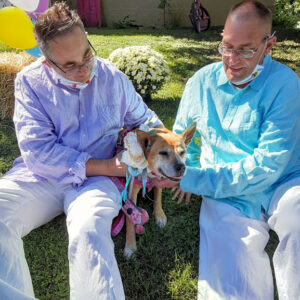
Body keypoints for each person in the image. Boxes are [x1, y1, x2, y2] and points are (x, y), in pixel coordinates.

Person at [0, 2, 163, 300]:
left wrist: (160, 153)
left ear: (87, 37)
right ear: (47, 62)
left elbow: (147, 121)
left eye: (86, 55)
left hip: (96, 183)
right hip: (42, 176)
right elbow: (38, 153)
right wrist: (108, 166)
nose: (85, 70)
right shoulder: (29, 82)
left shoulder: (112, 77)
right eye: (71, 65)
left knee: (89, 229)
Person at [154, 1, 300, 299]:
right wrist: (187, 167)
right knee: (231, 272)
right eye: (226, 47)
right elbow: (182, 137)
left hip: (283, 181)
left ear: (269, 45)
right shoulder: (201, 82)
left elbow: (268, 165)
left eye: (245, 50)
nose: (232, 60)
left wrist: (195, 179)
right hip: (226, 191)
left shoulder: (286, 84)